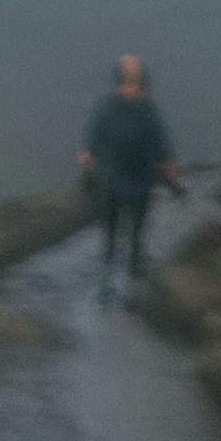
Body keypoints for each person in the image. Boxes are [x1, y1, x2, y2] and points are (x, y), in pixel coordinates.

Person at [78, 53, 181, 303]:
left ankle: (108, 287)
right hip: (134, 186)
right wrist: (176, 184)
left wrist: (87, 175)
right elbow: (164, 154)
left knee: (114, 237)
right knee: (133, 237)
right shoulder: (148, 112)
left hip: (116, 185)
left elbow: (87, 151)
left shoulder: (106, 108)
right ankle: (129, 290)